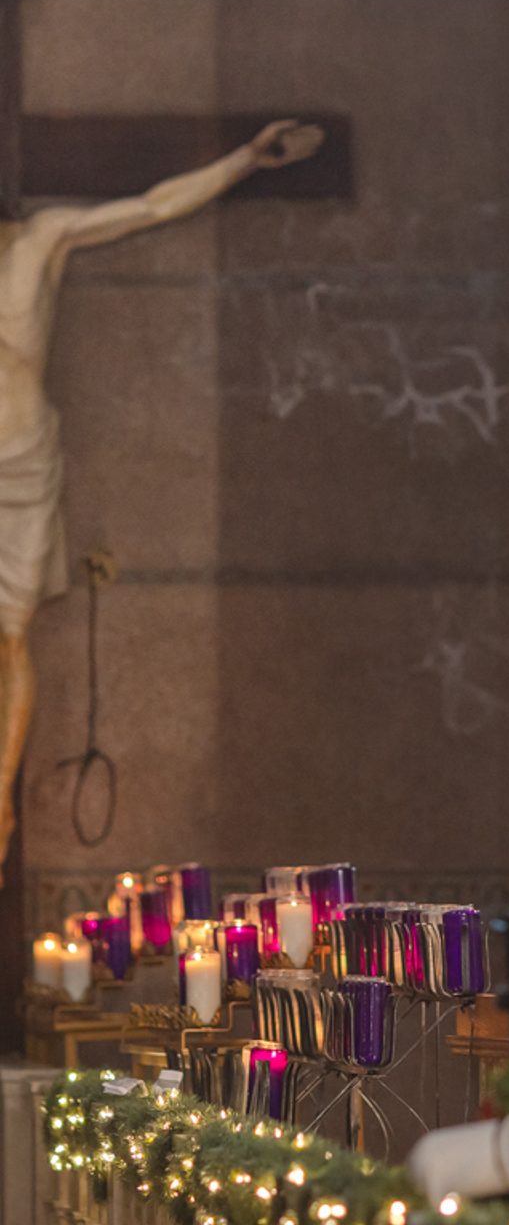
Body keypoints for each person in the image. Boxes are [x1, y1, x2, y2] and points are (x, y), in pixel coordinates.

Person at [0, 119, 323, 867]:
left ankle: (1, 800)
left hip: (25, 461)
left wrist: (245, 159)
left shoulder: (40, 242)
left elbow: (151, 206)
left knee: (11, 638)